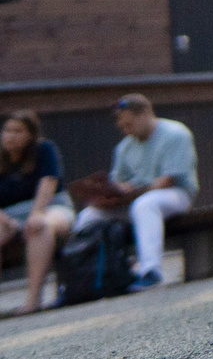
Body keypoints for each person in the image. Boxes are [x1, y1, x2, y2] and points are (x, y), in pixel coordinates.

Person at [69, 95, 195, 291]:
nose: (126, 131)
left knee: (145, 204)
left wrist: (132, 193)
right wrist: (112, 194)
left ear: (145, 113)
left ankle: (150, 272)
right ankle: (84, 277)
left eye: (130, 124)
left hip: (176, 194)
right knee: (89, 215)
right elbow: (117, 180)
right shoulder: (124, 147)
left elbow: (169, 179)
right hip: (133, 201)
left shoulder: (175, 134)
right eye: (122, 127)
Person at [0, 110, 73, 314]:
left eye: (18, 131)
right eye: (7, 130)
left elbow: (48, 183)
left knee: (39, 227)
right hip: (9, 215)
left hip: (51, 207)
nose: (11, 135)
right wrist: (5, 220)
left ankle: (33, 300)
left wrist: (37, 213)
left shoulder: (44, 150)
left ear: (31, 135)